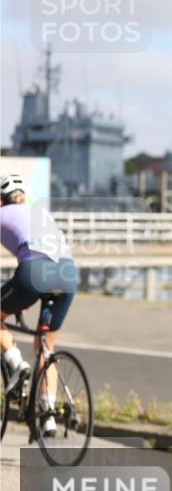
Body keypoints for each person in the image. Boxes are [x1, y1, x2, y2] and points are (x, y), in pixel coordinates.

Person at [0, 173, 78, 436]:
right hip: (67, 274)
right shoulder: (39, 213)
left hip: (34, 272)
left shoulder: (2, 214)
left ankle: (15, 362)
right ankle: (49, 416)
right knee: (45, 346)